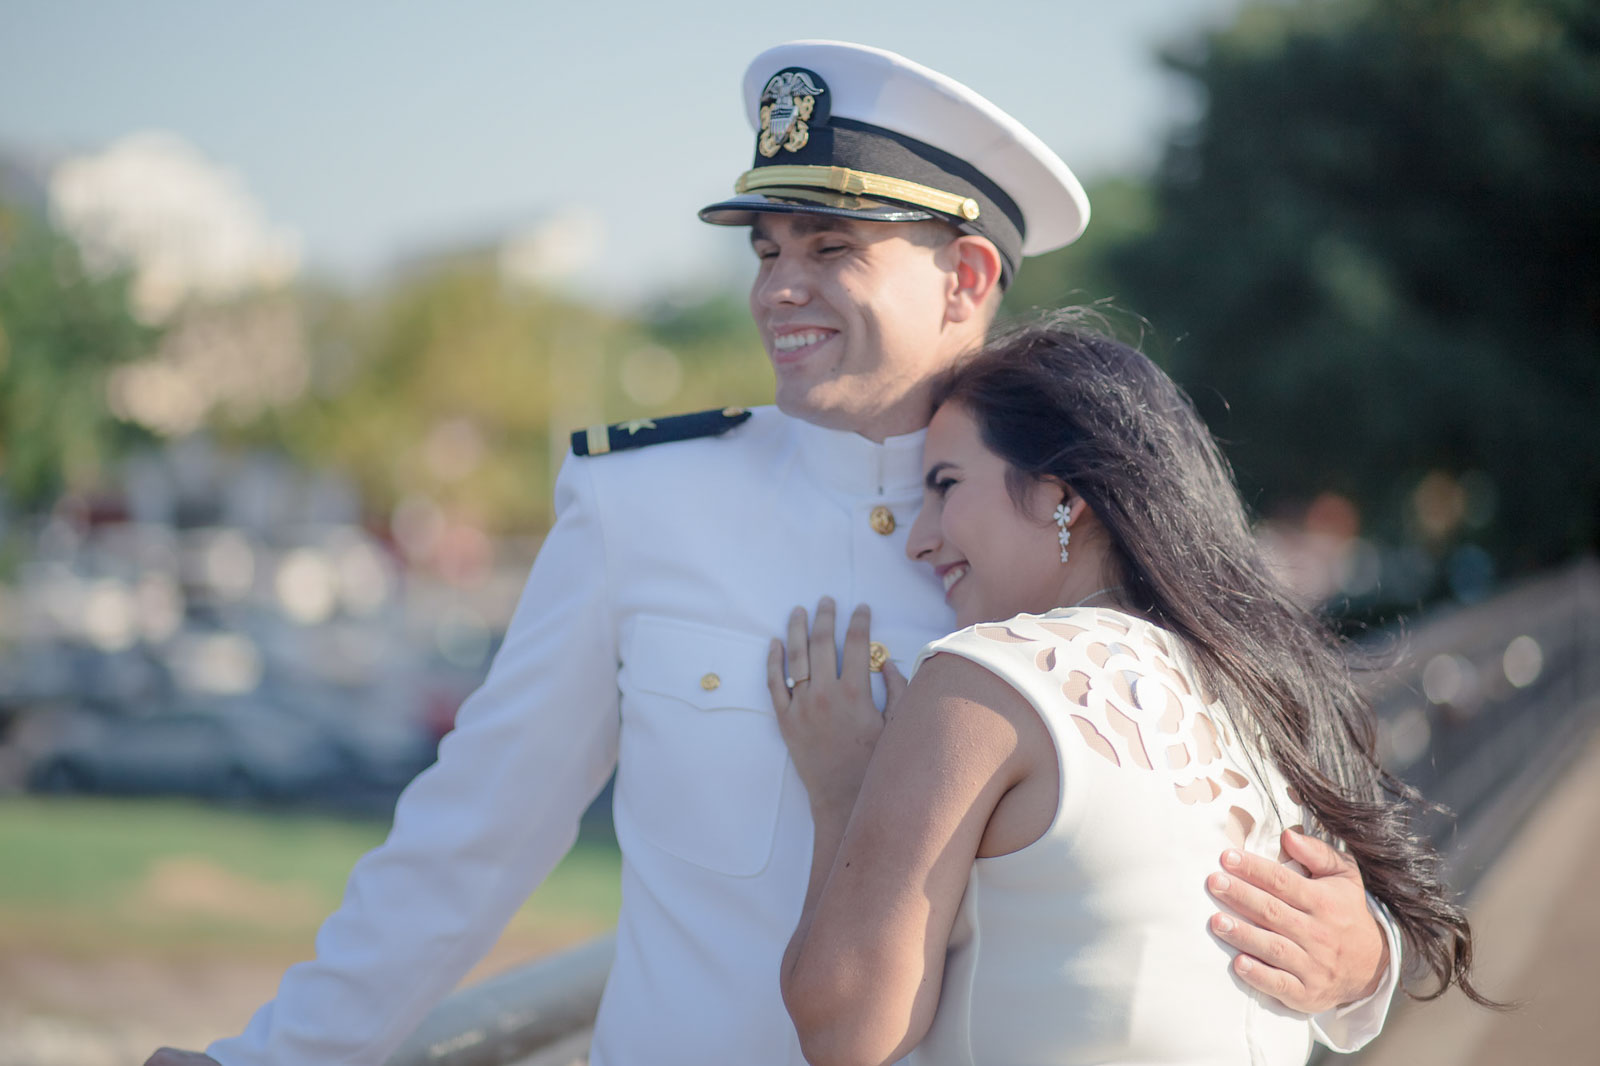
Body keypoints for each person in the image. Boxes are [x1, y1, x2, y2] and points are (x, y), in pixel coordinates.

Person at [147, 42, 1398, 1066]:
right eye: (765, 248)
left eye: (829, 248)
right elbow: (476, 829)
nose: (777, 289)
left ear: (966, 276)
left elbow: (1247, 812)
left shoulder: (1076, 520)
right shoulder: (643, 504)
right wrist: (274, 1058)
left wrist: (1362, 967)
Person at [769, 318, 1490, 1065]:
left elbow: (845, 1030)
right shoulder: (1268, 686)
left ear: (1061, 494)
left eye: (945, 485)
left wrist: (843, 794)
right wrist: (1369, 962)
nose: (918, 538)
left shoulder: (982, 682)